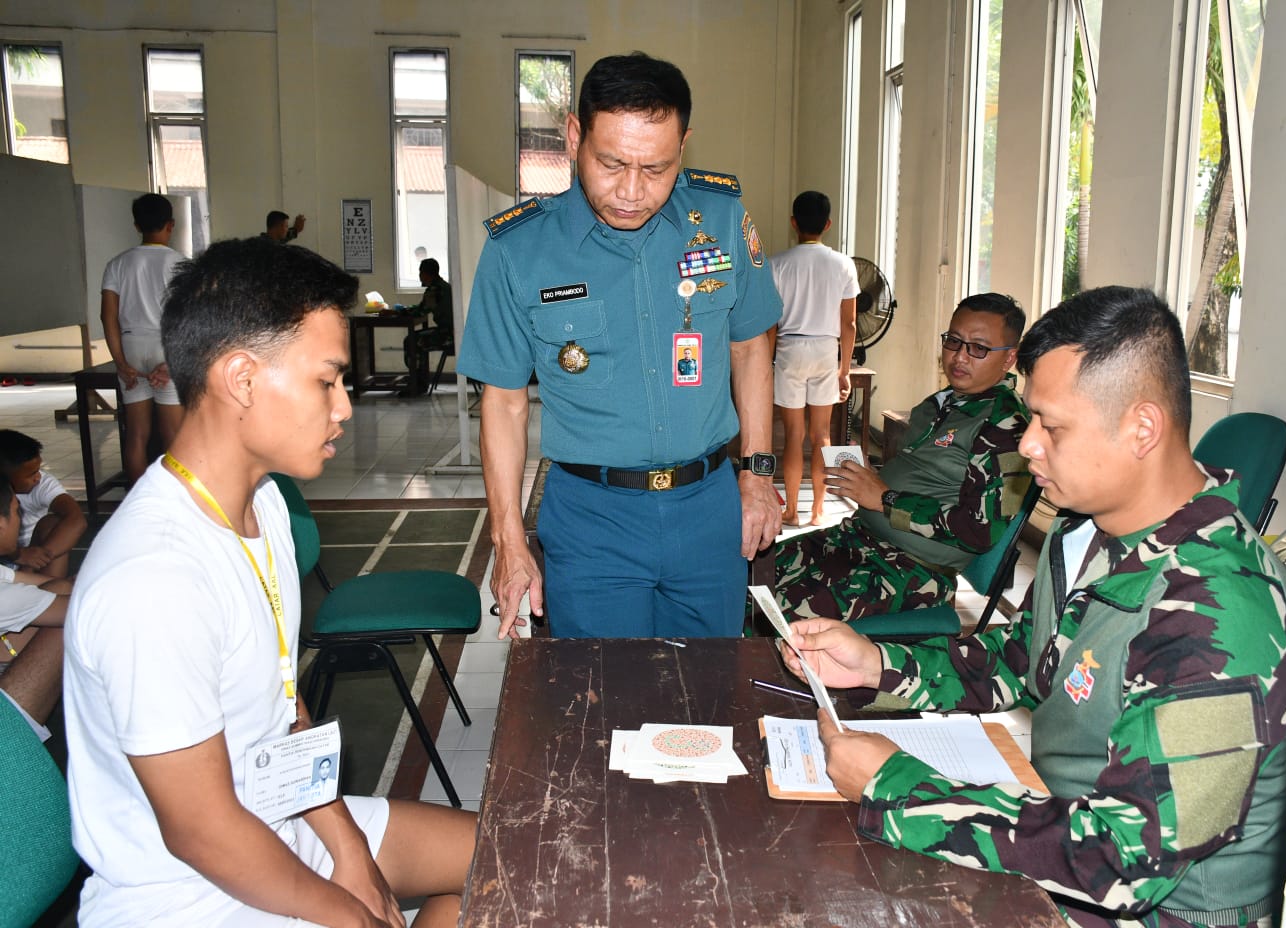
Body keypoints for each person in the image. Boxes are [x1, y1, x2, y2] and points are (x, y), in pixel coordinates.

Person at [780, 286, 1286, 928]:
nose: (1027, 446)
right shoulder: (1085, 532)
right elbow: (1022, 657)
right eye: (1030, 420)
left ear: (1141, 428)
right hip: (1065, 840)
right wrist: (876, 665)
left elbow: (1124, 865)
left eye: (1051, 426)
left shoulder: (1219, 604)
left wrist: (897, 788)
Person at [64, 237, 475, 927]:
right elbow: (202, 833)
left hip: (281, 818)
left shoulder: (266, 506)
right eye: (326, 380)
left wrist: (350, 853)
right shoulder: (155, 578)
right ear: (242, 378)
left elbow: (284, 706)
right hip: (191, 894)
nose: (343, 407)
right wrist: (354, 915)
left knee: (522, 863)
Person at [460, 51, 784, 639]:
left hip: (709, 509)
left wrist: (758, 474)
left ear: (684, 145)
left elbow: (749, 347)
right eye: (611, 163)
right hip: (591, 519)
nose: (632, 191)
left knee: (710, 699)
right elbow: (503, 402)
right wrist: (508, 541)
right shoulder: (519, 249)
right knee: (602, 705)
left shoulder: (722, 218)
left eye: (656, 168)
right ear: (574, 134)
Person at [775, 293, 1031, 622]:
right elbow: (918, 475)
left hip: (910, 570)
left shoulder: (1005, 427)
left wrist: (884, 498)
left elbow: (977, 532)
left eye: (978, 348)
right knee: (747, 577)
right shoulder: (939, 404)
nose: (959, 357)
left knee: (777, 615)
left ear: (1009, 358)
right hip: (857, 539)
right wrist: (870, 475)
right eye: (953, 341)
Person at [766, 190, 859, 527]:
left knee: (793, 436)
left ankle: (791, 509)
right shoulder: (844, 264)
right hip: (825, 349)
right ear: (828, 224)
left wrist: (767, 363)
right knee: (822, 435)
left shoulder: (777, 264)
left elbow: (771, 324)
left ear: (794, 223)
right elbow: (849, 323)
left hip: (790, 348)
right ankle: (818, 511)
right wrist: (844, 369)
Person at [100, 192, 185, 482]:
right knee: (172, 433)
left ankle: (136, 506)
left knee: (136, 434)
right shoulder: (180, 264)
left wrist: (120, 362)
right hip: (166, 346)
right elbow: (187, 318)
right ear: (170, 225)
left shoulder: (117, 264)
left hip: (131, 345)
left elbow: (107, 316)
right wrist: (175, 361)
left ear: (137, 226)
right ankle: (176, 502)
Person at [0, 475, 68, 743]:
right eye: (17, 511)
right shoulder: (5, 598)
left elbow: (50, 585)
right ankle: (19, 748)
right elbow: (86, 608)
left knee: (61, 590)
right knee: (72, 624)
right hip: (5, 739)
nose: (20, 518)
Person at [0, 429, 87, 580]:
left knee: (53, 523)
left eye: (38, 470)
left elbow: (76, 520)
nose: (38, 477)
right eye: (30, 474)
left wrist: (33, 561)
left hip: (28, 561)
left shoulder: (42, 484)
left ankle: (48, 590)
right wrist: (18, 555)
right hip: (11, 557)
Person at [400, 258, 454, 397]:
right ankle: (420, 381)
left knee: (411, 341)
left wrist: (402, 312)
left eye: (420, 272)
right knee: (417, 339)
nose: (419, 276)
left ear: (426, 273)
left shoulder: (435, 289)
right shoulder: (444, 286)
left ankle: (416, 383)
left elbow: (421, 311)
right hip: (455, 333)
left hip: (448, 336)